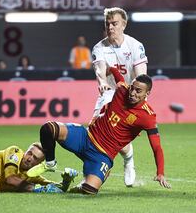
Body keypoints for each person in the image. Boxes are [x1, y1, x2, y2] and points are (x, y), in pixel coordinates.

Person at [27, 67, 171, 194]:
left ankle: (85, 180)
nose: (132, 92)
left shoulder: (148, 116)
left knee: (89, 191)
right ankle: (50, 163)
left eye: (138, 91)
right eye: (132, 87)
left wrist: (160, 172)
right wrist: (110, 70)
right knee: (49, 128)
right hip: (86, 137)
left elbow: (157, 147)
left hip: (103, 155)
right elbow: (118, 76)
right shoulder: (122, 89)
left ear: (148, 93)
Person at [91, 7, 148, 187]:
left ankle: (127, 162)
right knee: (95, 133)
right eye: (107, 24)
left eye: (114, 23)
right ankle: (122, 160)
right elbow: (100, 69)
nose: (110, 27)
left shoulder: (135, 46)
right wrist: (101, 81)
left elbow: (141, 77)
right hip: (108, 93)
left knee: (117, 136)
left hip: (129, 95)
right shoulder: (99, 47)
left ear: (124, 24)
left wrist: (139, 102)